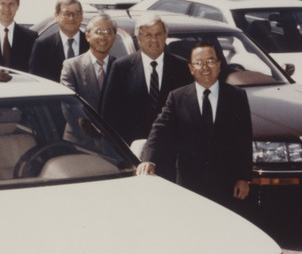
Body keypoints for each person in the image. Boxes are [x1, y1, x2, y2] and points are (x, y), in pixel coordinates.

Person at [136, 42, 253, 209]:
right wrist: (148, 160)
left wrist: (244, 178)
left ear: (219, 65)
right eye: (199, 62)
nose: (205, 67)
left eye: (211, 61)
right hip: (189, 182)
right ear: (191, 68)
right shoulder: (177, 97)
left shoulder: (236, 96)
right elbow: (159, 130)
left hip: (226, 182)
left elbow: (244, 138)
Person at [100, 12, 191, 144]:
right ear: (139, 38)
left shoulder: (182, 67)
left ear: (165, 36)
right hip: (133, 148)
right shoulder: (121, 68)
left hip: (172, 149)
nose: (154, 40)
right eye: (148, 34)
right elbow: (109, 116)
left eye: (158, 34)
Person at [60, 13, 117, 111]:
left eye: (108, 32)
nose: (103, 37)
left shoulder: (121, 67)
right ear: (87, 36)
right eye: (98, 31)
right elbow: (68, 106)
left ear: (114, 37)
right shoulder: (72, 66)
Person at [29, 0, 89, 82]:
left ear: (81, 16)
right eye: (66, 14)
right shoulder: (43, 45)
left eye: (75, 13)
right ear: (56, 16)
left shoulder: (91, 43)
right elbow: (35, 80)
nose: (71, 18)